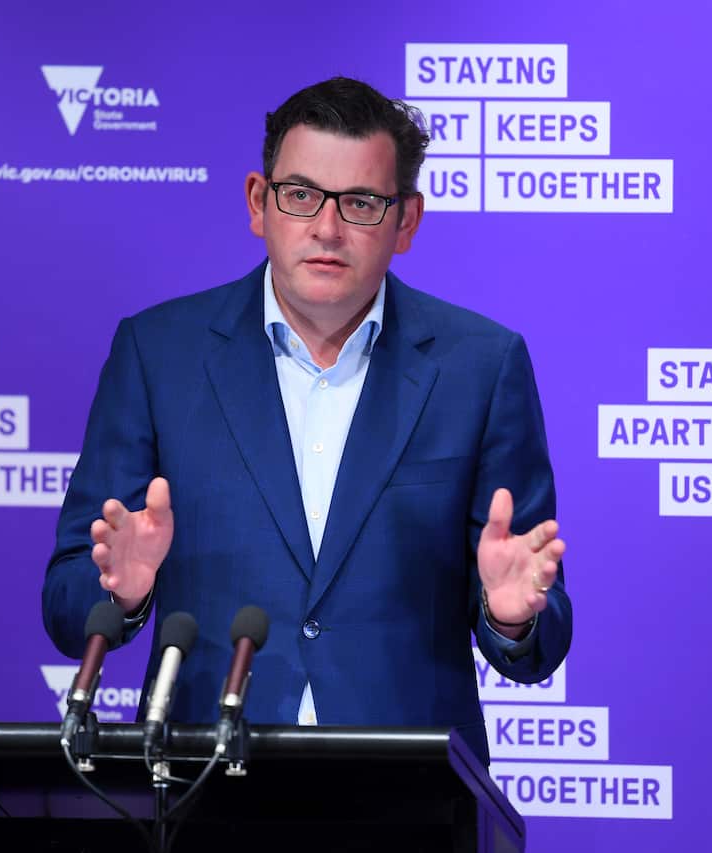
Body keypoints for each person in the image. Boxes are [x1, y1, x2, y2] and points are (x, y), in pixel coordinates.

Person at [43, 76, 570, 765]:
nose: (327, 228)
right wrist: (125, 591)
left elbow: (542, 632)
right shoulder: (158, 354)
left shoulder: (482, 366)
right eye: (301, 196)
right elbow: (64, 602)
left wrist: (511, 613)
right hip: (206, 779)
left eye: (361, 203)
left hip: (405, 789)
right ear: (259, 203)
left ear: (406, 221)